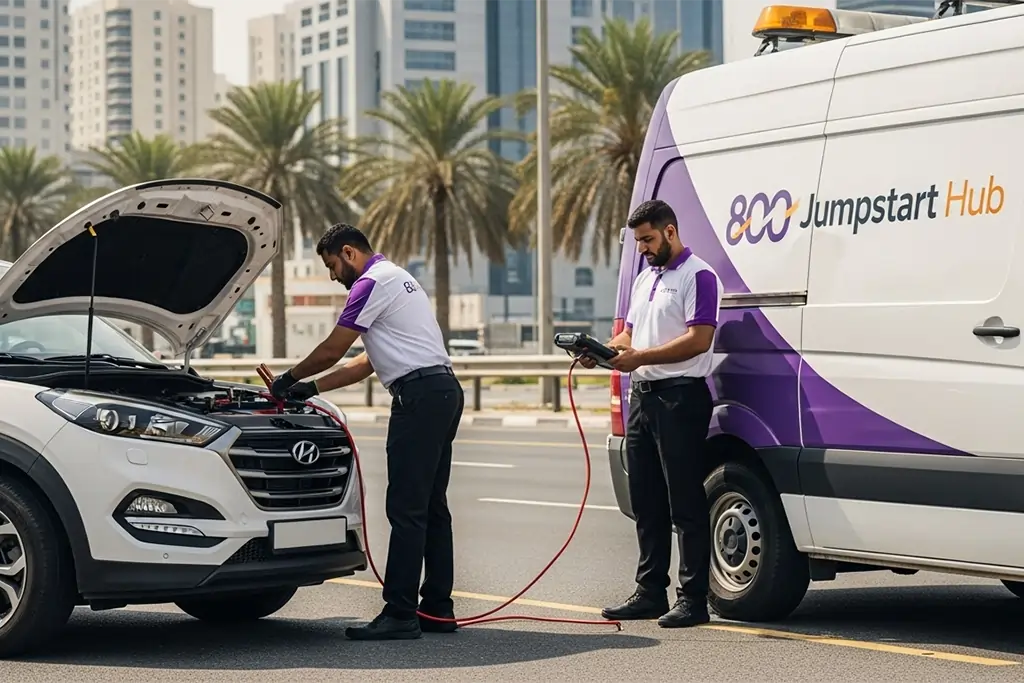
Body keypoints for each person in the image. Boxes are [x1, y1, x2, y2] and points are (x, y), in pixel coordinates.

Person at [268, 223, 464, 641]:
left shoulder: (370, 283)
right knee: (431, 507)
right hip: (442, 391)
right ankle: (437, 610)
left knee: (407, 509)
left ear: (349, 252)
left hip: (420, 397)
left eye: (332, 265)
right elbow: (365, 362)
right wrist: (311, 387)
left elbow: (333, 349)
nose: (333, 275)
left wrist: (286, 379)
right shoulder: (399, 279)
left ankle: (399, 613)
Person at [581, 199, 722, 628]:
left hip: (680, 397)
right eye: (638, 240)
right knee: (646, 500)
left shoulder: (699, 275)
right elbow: (628, 335)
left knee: (685, 501)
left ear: (670, 231)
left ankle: (693, 598)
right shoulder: (645, 277)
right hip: (641, 397)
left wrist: (640, 355)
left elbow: (699, 339)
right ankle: (649, 592)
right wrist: (605, 352)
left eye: (647, 239)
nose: (641, 247)